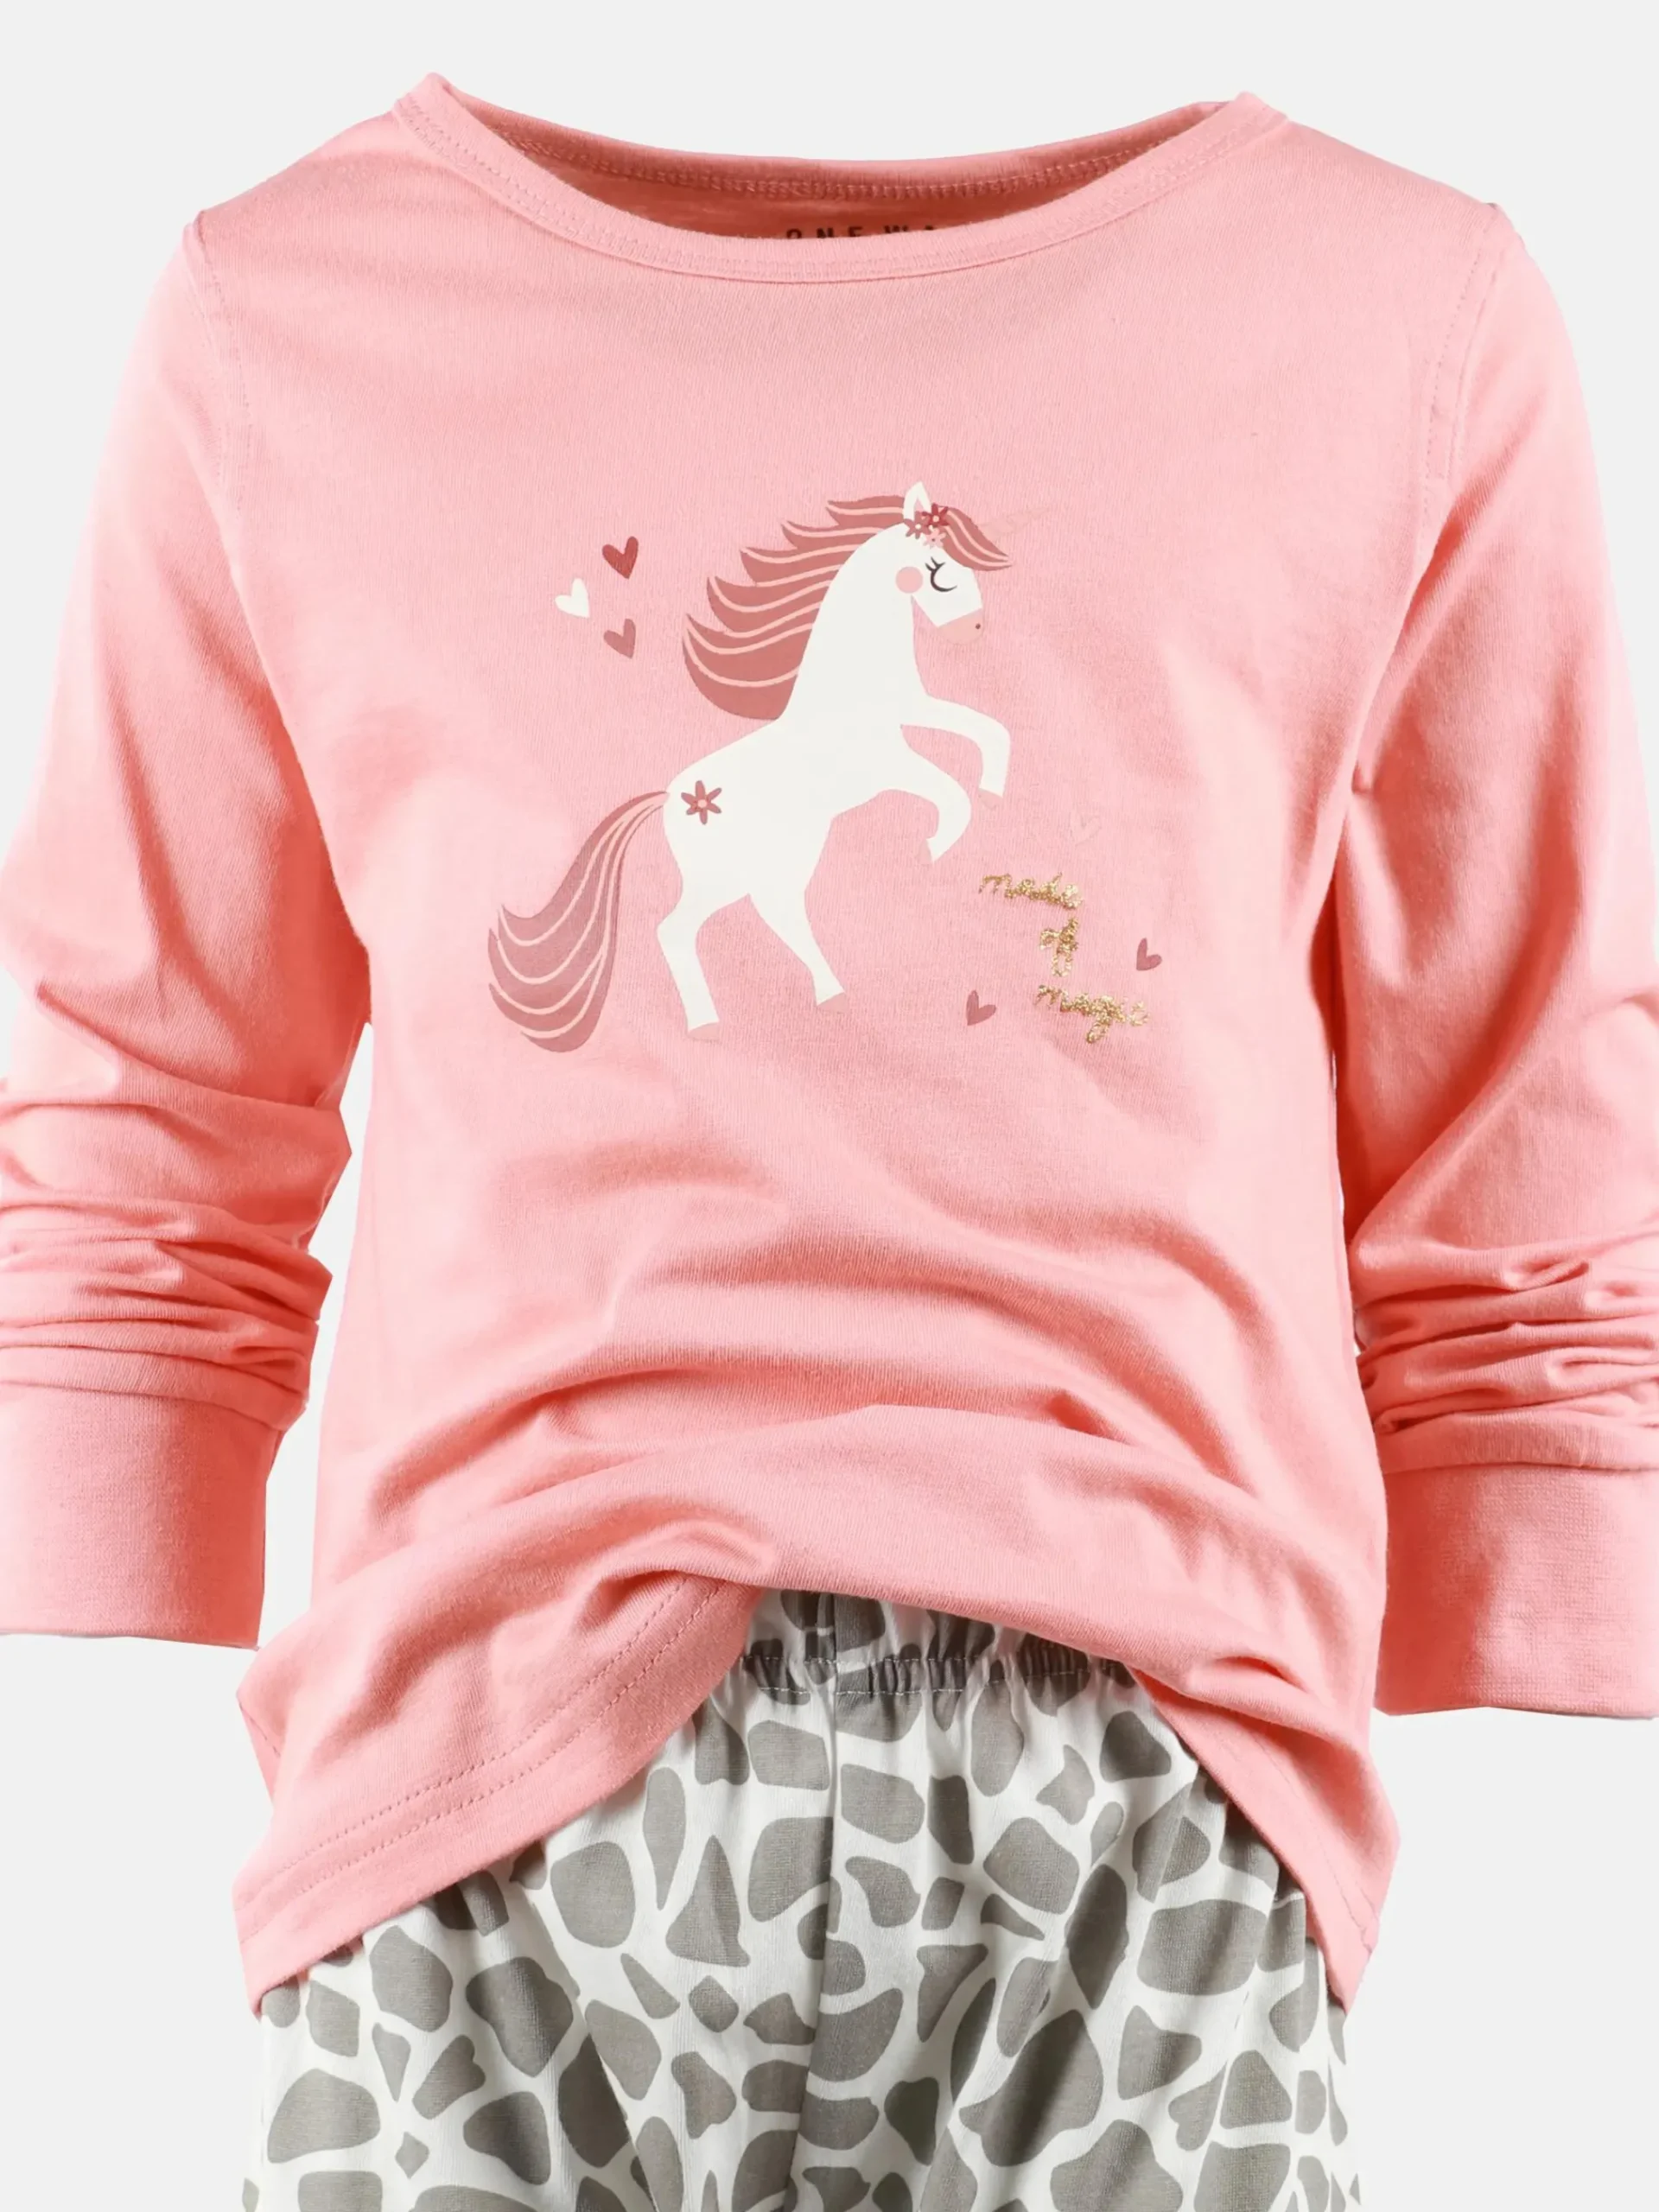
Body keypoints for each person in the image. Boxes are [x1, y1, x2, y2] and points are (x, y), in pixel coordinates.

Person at [2, 75, 1654, 2212]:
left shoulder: (1408, 315)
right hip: (481, 1748)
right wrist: (97, 1502)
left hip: (1151, 1754)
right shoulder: (282, 313)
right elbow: (158, 1025)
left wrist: (1553, 1537)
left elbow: (1518, 1038)